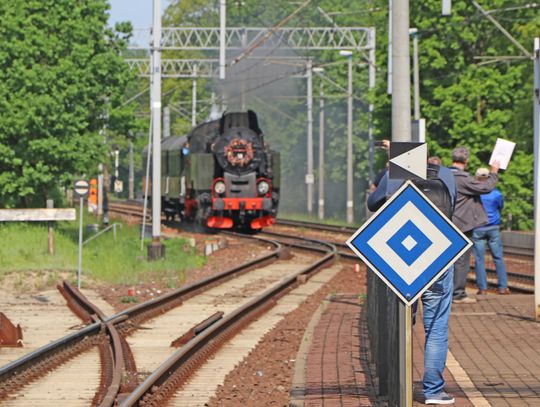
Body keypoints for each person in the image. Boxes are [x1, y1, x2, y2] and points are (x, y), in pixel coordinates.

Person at [368, 158, 457, 405]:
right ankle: (433, 392)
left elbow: (373, 203)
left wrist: (383, 178)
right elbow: (453, 207)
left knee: (400, 321)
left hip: (399, 259)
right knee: (436, 328)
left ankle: (398, 387)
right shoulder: (446, 174)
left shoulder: (393, 173)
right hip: (438, 256)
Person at [449, 147, 499, 304]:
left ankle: (448, 291)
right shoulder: (462, 178)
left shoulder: (444, 175)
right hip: (463, 224)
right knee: (462, 260)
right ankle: (458, 293)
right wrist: (494, 172)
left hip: (447, 221)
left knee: (448, 259)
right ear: (466, 161)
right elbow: (485, 188)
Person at [472, 168, 509, 295]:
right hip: (493, 228)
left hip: (478, 229)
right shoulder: (497, 193)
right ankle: (503, 287)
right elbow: (500, 206)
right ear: (488, 178)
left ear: (476, 178)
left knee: (479, 259)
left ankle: (482, 288)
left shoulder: (474, 193)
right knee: (498, 257)